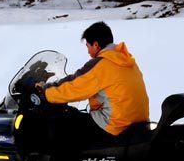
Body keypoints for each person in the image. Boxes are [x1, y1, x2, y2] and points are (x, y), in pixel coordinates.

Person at [37, 21, 149, 149]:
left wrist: (46, 91)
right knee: (76, 116)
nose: (88, 51)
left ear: (96, 45)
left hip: (115, 124)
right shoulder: (127, 60)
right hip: (137, 122)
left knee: (65, 121)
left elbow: (74, 86)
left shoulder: (101, 64)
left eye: (88, 46)